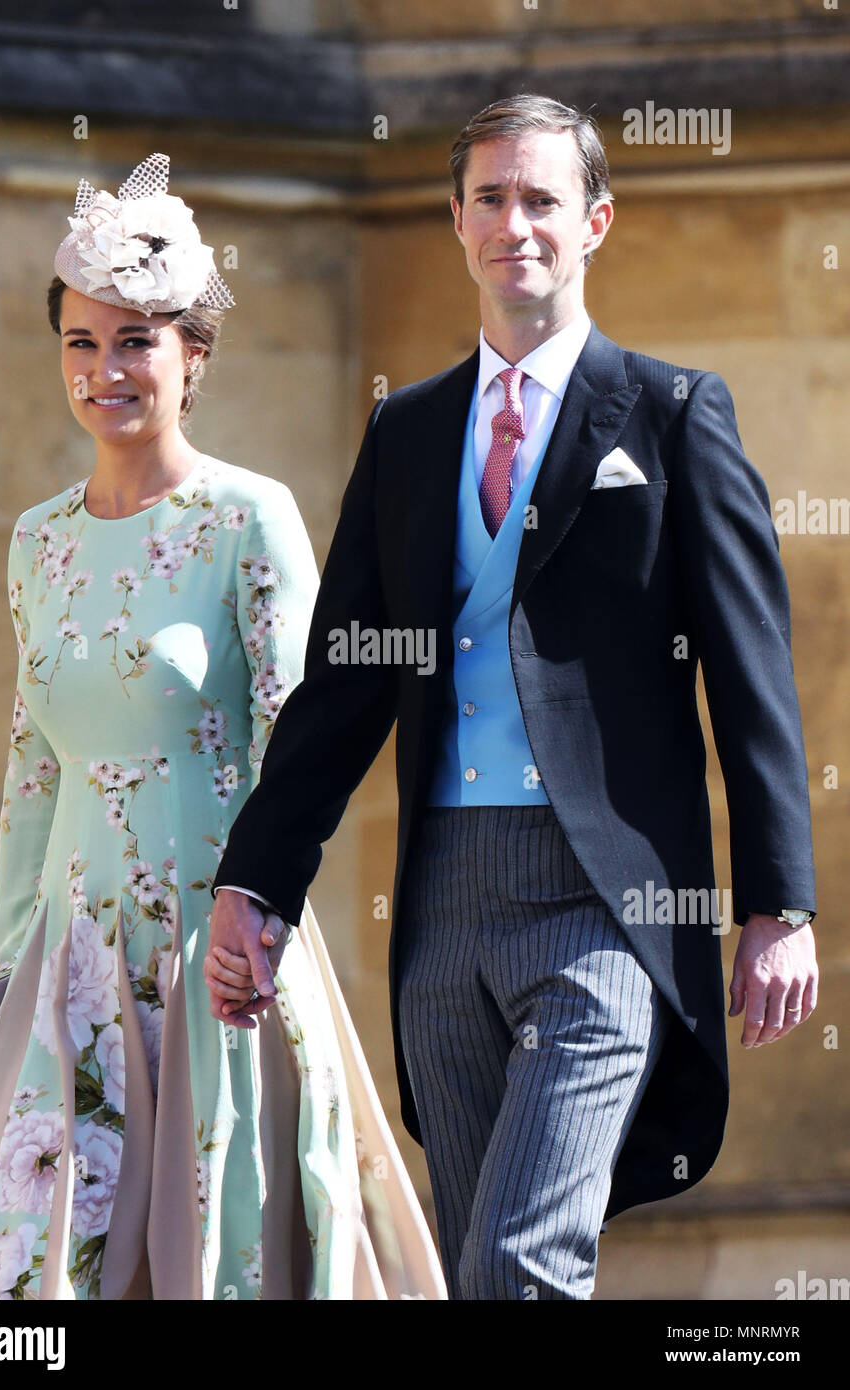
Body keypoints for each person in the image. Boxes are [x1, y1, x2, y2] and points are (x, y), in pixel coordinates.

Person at [205, 96, 819, 1300]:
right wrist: (257, 882)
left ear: (594, 221)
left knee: (520, 1264)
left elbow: (755, 674)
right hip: (443, 908)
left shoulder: (674, 414)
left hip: (607, 902)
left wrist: (779, 902)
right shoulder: (409, 429)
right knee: (474, 1277)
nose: (514, 224)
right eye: (489, 197)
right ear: (454, 220)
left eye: (541, 199)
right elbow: (345, 684)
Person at [0, 152, 447, 1301]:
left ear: (193, 356)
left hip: (218, 956)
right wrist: (3, 967)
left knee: (218, 1263)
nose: (105, 369)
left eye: (136, 340)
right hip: (69, 971)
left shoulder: (247, 516)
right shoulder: (38, 540)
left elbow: (302, 747)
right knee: (47, 1282)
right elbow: (32, 767)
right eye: (81, 341)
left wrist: (259, 923)